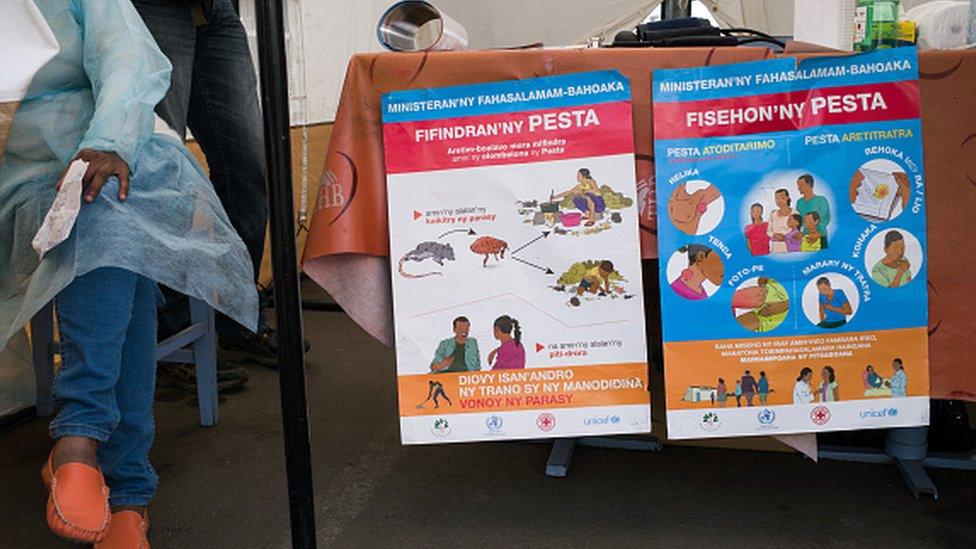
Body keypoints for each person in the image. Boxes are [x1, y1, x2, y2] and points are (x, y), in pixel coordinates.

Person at [0, 2, 258, 545]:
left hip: (113, 136)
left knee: (107, 206)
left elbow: (127, 57)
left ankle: (80, 441)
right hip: (19, 164)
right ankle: (126, 486)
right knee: (113, 229)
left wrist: (110, 140)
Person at [130, 0, 286, 372]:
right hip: (153, 7)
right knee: (162, 170)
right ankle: (172, 333)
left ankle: (235, 317)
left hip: (217, 10)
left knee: (247, 167)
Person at [796, 173, 830, 248]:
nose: (799, 188)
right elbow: (799, 221)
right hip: (806, 239)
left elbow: (823, 220)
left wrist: (817, 234)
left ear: (809, 184)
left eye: (801, 185)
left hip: (820, 237)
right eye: (798, 186)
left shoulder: (821, 201)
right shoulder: (799, 202)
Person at [768, 188, 796, 254]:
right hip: (776, 247)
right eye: (777, 198)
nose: (779, 200)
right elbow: (768, 231)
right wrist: (774, 235)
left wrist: (785, 237)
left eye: (782, 198)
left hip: (792, 246)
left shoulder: (794, 213)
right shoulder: (773, 214)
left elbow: (799, 229)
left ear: (787, 198)